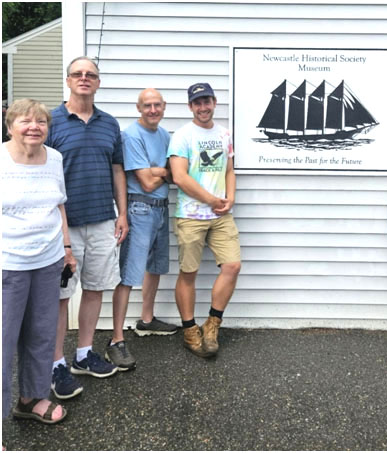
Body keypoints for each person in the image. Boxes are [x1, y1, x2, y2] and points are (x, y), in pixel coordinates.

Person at [45, 56, 128, 399]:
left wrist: (122, 213)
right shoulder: (50, 121)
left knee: (95, 288)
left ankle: (83, 354)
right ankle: (56, 364)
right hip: (62, 226)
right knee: (60, 297)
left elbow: (118, 171)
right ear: (68, 80)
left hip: (102, 222)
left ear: (98, 82)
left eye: (90, 75)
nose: (84, 78)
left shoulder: (109, 124)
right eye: (78, 74)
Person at [2, 99, 76, 428]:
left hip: (48, 260)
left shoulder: (55, 158)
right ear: (9, 126)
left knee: (41, 334)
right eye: (25, 121)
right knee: (3, 341)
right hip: (8, 263)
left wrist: (67, 248)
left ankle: (30, 397)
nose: (34, 126)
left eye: (41, 121)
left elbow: (58, 205)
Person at [106, 88, 177, 371]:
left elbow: (172, 172)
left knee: (155, 267)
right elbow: (146, 183)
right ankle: (116, 340)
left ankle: (146, 320)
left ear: (164, 107)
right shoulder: (130, 135)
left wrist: (156, 170)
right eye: (147, 105)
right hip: (140, 208)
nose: (152, 110)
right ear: (138, 108)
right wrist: (163, 173)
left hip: (161, 208)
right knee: (129, 274)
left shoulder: (165, 135)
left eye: (157, 104)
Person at [168, 82, 241, 358]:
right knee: (189, 273)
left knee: (232, 266)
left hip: (221, 215)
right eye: (197, 103)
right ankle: (189, 329)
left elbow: (230, 169)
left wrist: (229, 197)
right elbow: (180, 177)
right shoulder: (183, 136)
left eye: (207, 101)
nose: (203, 107)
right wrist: (211, 200)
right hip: (191, 215)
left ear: (214, 103)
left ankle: (212, 323)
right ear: (190, 106)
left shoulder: (224, 134)